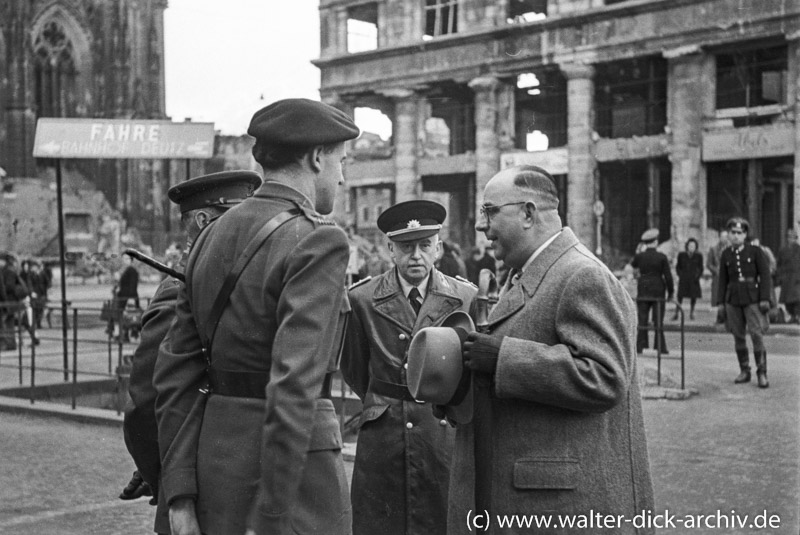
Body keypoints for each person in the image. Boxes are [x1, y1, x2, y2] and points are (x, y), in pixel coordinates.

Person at [154, 98, 359, 535]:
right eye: (342, 161)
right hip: (292, 488)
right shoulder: (318, 240)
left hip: (216, 467)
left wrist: (179, 495)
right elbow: (294, 386)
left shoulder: (211, 235)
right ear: (317, 157)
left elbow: (174, 376)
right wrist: (273, 515)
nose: (342, 176)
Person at [445, 165, 653, 533]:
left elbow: (605, 377)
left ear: (528, 213)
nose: (480, 224)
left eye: (490, 211)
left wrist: (502, 357)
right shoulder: (527, 271)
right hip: (536, 496)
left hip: (561, 504)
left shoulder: (581, 274)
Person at [120, 170, 263, 534]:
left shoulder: (237, 281)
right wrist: (165, 478)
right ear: (203, 220)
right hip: (195, 491)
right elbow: (147, 402)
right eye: (240, 214)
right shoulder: (180, 289)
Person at [342, 200, 476, 535]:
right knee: (380, 522)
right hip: (383, 435)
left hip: (440, 430)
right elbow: (355, 368)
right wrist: (385, 400)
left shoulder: (464, 298)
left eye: (424, 245)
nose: (416, 255)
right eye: (405, 247)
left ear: (438, 248)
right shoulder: (362, 299)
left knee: (442, 519)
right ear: (390, 249)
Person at [718, 217, 773, 388]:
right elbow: (722, 280)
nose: (735, 236)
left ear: (745, 235)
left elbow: (765, 276)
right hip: (733, 299)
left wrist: (765, 298)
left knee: (756, 334)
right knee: (738, 335)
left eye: (739, 233)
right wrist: (720, 303)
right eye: (732, 233)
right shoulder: (726, 254)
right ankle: (744, 370)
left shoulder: (755, 251)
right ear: (728, 234)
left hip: (753, 298)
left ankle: (762, 372)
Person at [631, 228, 674, 354]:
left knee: (642, 320)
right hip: (658, 292)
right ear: (655, 242)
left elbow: (632, 269)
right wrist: (671, 293)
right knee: (658, 321)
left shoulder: (639, 257)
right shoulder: (662, 257)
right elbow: (668, 276)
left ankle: (640, 346)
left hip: (643, 290)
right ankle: (660, 346)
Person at [674, 238, 703, 320]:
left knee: (693, 297)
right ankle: (676, 313)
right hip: (683, 279)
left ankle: (692, 312)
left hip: (693, 280)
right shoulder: (682, 255)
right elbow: (678, 267)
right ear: (687, 246)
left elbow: (700, 268)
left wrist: (697, 277)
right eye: (690, 245)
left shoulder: (698, 256)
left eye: (693, 246)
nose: (691, 247)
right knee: (680, 297)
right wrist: (680, 275)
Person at [777, 228, 800, 323]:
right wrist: (780, 277)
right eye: (789, 237)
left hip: (796, 278)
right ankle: (792, 315)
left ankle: (797, 315)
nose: (791, 239)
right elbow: (779, 264)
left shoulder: (799, 250)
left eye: (793, 237)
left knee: (797, 299)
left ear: (796, 238)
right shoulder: (783, 250)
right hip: (786, 278)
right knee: (787, 300)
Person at [707, 229, 729, 322]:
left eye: (726, 237)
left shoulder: (731, 248)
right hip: (718, 277)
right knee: (719, 298)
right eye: (722, 236)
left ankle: (728, 317)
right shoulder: (713, 249)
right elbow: (709, 263)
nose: (724, 239)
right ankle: (720, 316)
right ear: (719, 237)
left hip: (729, 276)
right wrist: (715, 271)